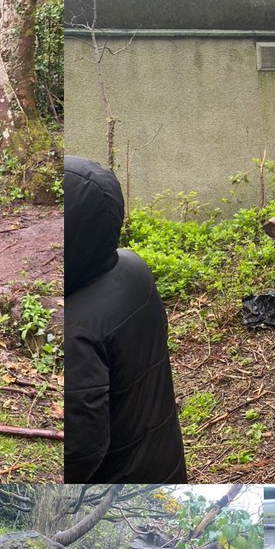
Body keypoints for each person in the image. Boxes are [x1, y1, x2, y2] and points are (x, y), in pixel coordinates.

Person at [63, 156, 186, 483]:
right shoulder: (134, 266)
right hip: (165, 456)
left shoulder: (77, 330)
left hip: (120, 477)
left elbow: (81, 450)